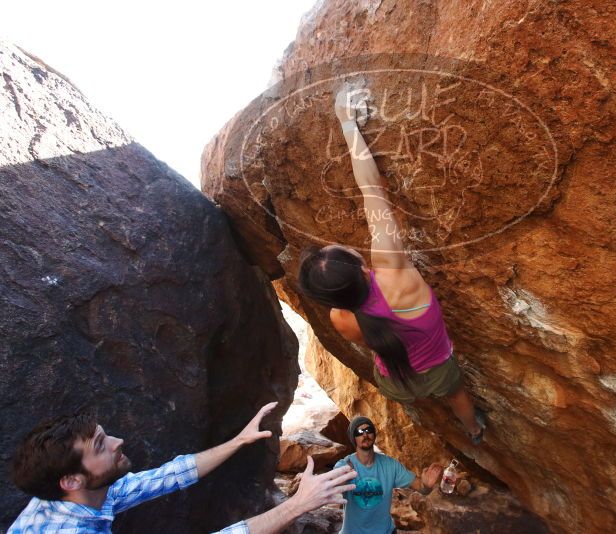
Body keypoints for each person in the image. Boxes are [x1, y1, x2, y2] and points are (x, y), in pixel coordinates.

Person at [298, 87, 486, 444]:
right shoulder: (392, 268)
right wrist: (347, 123)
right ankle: (473, 429)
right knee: (455, 392)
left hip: (396, 376)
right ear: (354, 263)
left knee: (424, 392)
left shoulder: (341, 317)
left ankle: (428, 412)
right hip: (437, 365)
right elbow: (371, 188)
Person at [8, 403, 357, 534]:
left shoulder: (72, 496)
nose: (117, 442)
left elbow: (167, 477)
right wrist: (298, 504)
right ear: (71, 479)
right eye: (101, 445)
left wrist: (238, 441)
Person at [334, 416, 442, 534]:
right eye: (359, 432)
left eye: (368, 430)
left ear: (374, 434)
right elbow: (333, 485)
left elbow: (421, 488)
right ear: (353, 438)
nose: (365, 435)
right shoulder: (345, 465)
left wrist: (426, 485)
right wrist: (342, 478)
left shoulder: (390, 465)